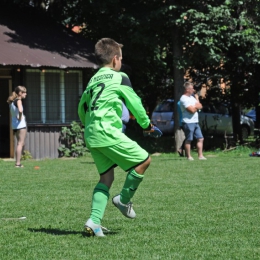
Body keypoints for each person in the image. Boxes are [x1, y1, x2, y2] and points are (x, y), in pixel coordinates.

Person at [78, 38, 161, 237]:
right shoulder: (119, 76)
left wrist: (89, 124)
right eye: (121, 59)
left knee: (106, 177)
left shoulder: (93, 79)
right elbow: (135, 102)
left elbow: (82, 107)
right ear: (115, 59)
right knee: (143, 161)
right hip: (107, 131)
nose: (121, 62)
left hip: (91, 133)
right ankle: (123, 200)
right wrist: (146, 125)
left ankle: (94, 221)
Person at [179, 82, 206, 160]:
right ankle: (189, 156)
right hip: (188, 122)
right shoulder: (183, 98)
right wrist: (196, 107)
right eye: (192, 88)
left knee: (200, 138)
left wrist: (196, 105)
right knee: (189, 139)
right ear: (187, 89)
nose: (193, 90)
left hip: (195, 121)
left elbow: (200, 106)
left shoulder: (192, 97)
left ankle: (200, 156)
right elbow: (191, 110)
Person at [7, 86, 27, 167]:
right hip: (20, 124)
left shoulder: (12, 102)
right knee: (20, 143)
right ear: (20, 93)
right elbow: (20, 110)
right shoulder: (18, 100)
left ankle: (18, 162)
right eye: (24, 92)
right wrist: (20, 116)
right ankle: (18, 163)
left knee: (19, 143)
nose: (26, 94)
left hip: (15, 125)